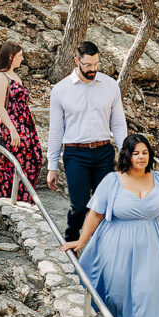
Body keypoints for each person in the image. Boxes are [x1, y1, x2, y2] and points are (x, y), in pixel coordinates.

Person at [61, 134, 159, 317]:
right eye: (136, 153)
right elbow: (95, 213)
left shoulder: (158, 179)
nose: (141, 157)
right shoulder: (113, 181)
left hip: (151, 243)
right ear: (127, 155)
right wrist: (81, 241)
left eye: (145, 152)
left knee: (146, 291)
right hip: (116, 243)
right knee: (116, 289)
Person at [47, 41, 128, 242]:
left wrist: (127, 155)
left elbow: (118, 124)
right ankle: (71, 243)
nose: (93, 69)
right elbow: (56, 130)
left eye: (96, 64)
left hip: (104, 152)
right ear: (77, 61)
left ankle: (102, 245)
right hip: (75, 154)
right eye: (88, 65)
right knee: (79, 205)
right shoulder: (60, 90)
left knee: (106, 203)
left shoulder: (110, 86)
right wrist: (52, 166)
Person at [0, 41, 42, 203]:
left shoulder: (15, 76)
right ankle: (7, 199)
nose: (22, 59)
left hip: (25, 124)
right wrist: (12, 129)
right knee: (9, 163)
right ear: (10, 57)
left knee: (33, 159)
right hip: (10, 125)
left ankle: (22, 197)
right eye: (20, 56)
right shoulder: (0, 77)